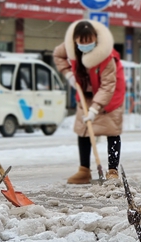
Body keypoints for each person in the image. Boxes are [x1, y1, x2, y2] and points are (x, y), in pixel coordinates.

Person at [54, 20, 126, 184]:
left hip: (111, 90)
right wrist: (68, 75)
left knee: (111, 129)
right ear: (75, 40)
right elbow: (58, 56)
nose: (85, 45)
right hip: (85, 90)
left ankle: (112, 170)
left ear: (96, 38)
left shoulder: (107, 55)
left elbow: (108, 86)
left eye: (89, 41)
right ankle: (84, 170)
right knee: (83, 129)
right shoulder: (69, 47)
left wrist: (95, 109)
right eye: (82, 42)